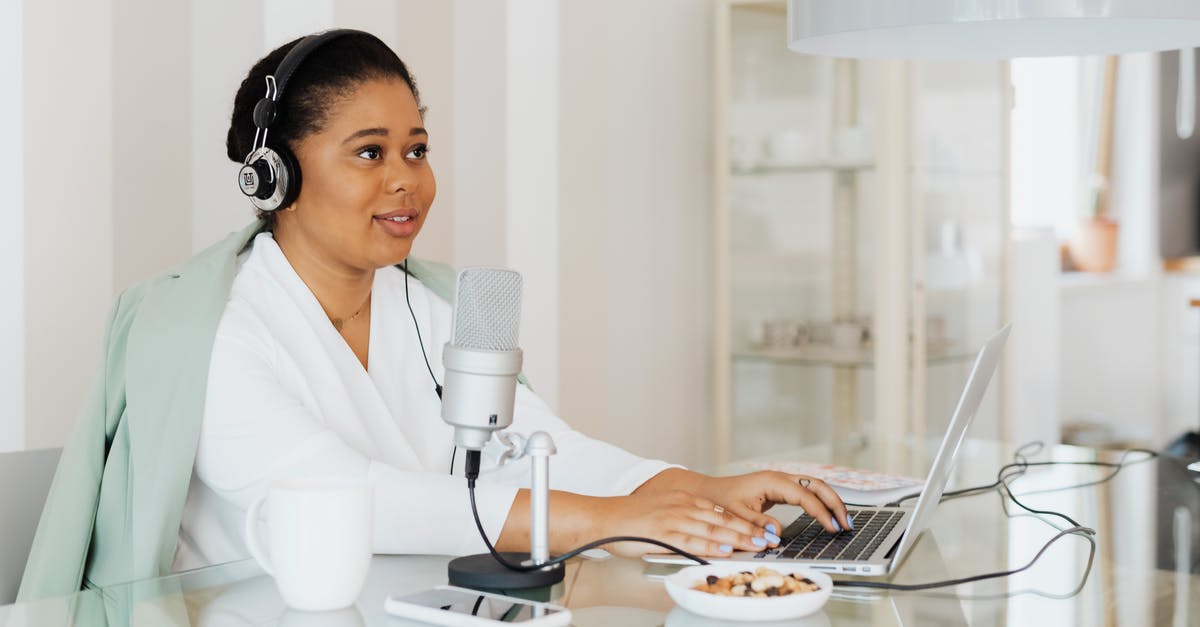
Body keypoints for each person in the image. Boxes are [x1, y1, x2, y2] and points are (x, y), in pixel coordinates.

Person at [19, 29, 849, 599]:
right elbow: (353, 497)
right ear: (275, 177)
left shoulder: (434, 301)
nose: (407, 181)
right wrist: (619, 520)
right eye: (370, 153)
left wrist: (705, 488)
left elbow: (545, 452)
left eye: (417, 149)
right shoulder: (209, 336)